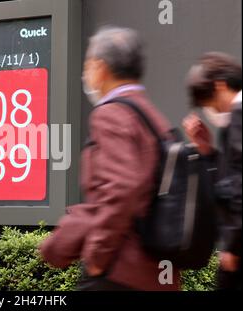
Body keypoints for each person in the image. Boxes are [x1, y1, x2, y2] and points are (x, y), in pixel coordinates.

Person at [39, 26, 180, 291]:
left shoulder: (110, 114)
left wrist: (97, 256)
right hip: (158, 273)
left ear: (101, 68)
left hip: (122, 272)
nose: (86, 74)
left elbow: (122, 187)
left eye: (88, 65)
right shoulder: (152, 117)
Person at [183, 52, 242, 290]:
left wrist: (234, 246)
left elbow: (239, 184)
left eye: (210, 104)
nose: (213, 112)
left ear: (220, 85)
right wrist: (207, 150)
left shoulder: (238, 117)